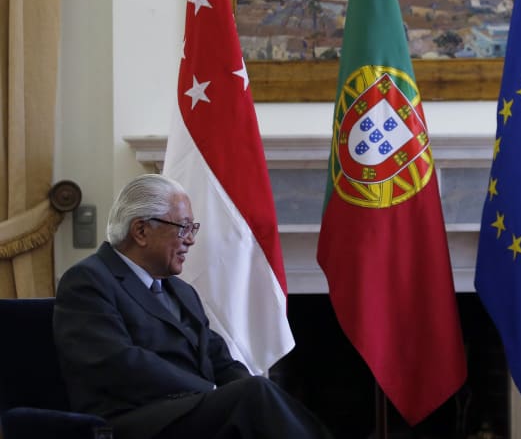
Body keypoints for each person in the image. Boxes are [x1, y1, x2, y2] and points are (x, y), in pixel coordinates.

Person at [53, 174, 332, 439]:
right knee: (252, 395)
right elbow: (119, 363)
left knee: (257, 390)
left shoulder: (182, 291)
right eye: (183, 228)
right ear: (141, 231)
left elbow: (219, 358)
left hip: (189, 410)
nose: (190, 239)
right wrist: (211, 391)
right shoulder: (88, 280)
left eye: (192, 228)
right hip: (132, 420)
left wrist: (235, 388)